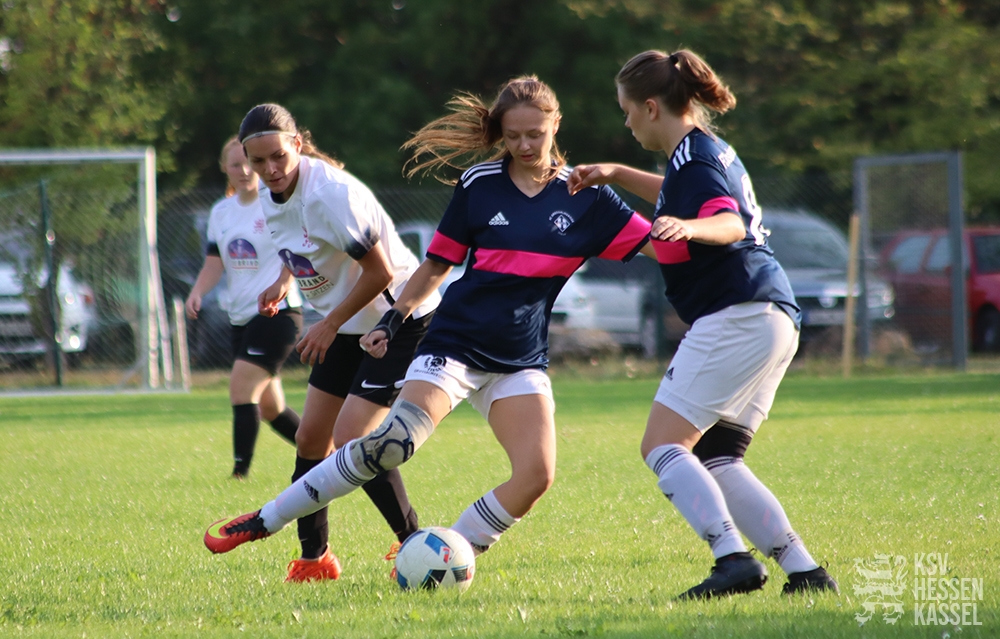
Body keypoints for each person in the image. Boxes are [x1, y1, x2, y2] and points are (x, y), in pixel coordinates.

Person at [203, 77, 652, 566]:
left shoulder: (588, 197)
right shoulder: (480, 184)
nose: (524, 145)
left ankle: (440, 554)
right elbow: (436, 264)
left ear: (556, 125)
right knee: (388, 444)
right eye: (512, 135)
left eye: (535, 135)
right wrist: (392, 320)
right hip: (454, 345)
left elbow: (666, 243)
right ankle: (267, 520)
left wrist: (671, 205)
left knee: (536, 477)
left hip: (521, 357)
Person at [566, 49, 838, 599]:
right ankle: (805, 572)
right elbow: (678, 192)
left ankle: (732, 560)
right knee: (718, 456)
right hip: (771, 314)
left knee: (661, 445)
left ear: (650, 107)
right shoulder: (700, 151)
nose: (627, 123)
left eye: (627, 111)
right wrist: (615, 174)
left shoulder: (694, 160)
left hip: (737, 313)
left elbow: (728, 222)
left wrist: (690, 229)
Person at [207, 104, 441, 583]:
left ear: (297, 144)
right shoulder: (270, 192)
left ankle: (414, 542)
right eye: (258, 161)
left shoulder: (331, 194)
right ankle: (315, 561)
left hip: (396, 320)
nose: (270, 169)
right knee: (311, 437)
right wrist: (281, 279)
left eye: (278, 156)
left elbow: (379, 272)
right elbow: (302, 243)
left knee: (354, 437)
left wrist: (329, 324)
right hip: (347, 323)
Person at [185, 136, 304, 479]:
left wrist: (284, 282)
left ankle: (239, 473)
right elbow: (214, 262)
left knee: (241, 388)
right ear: (225, 168)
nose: (244, 170)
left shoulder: (276, 203)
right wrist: (197, 292)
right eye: (235, 164)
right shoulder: (221, 212)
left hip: (277, 313)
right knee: (271, 407)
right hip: (240, 317)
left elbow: (298, 250)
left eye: (249, 162)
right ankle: (329, 455)